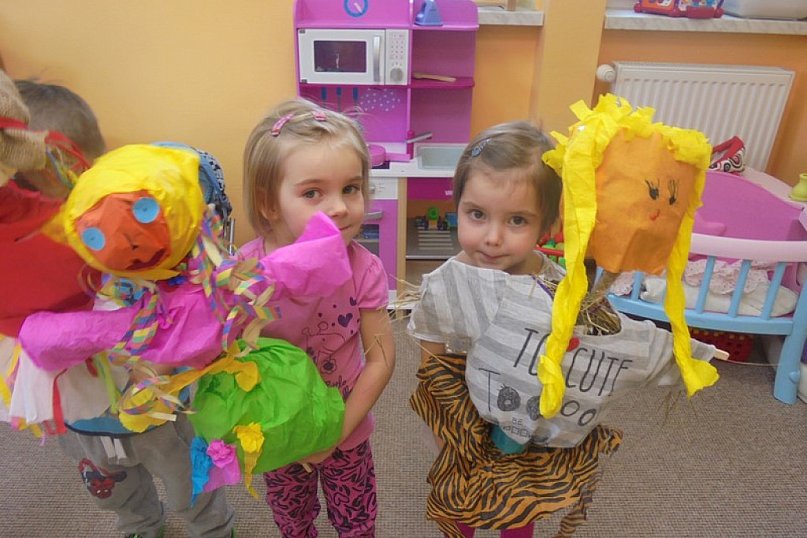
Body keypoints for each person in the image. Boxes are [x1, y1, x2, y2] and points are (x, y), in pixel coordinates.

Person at [407, 119, 717, 538]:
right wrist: (445, 422)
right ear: (457, 205)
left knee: (522, 500)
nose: (492, 237)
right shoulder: (450, 281)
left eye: (517, 220)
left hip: (536, 416)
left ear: (549, 225)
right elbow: (431, 354)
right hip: (468, 412)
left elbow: (590, 339)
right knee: (466, 494)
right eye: (476, 214)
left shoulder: (558, 284)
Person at [11, 78, 236, 538]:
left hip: (160, 412)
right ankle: (139, 523)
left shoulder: (144, 249)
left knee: (190, 484)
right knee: (112, 489)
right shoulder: (20, 264)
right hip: (82, 421)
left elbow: (193, 315)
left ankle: (212, 528)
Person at [239, 98, 396, 538]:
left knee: (356, 521)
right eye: (313, 193)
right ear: (269, 203)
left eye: (351, 188)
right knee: (293, 520)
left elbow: (382, 359)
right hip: (279, 430)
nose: (340, 207)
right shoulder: (247, 272)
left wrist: (336, 433)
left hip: (346, 428)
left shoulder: (363, 268)